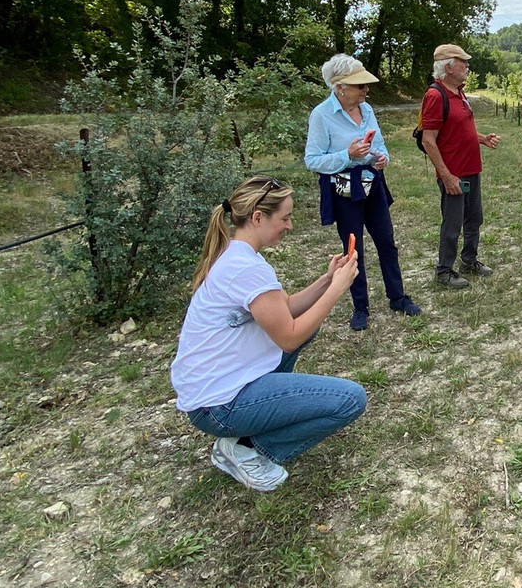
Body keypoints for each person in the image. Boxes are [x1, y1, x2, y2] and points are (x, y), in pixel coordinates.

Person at [170, 177, 367, 492]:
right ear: (258, 218)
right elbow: (289, 336)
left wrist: (328, 280)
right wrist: (340, 288)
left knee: (308, 327)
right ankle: (249, 449)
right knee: (350, 400)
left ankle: (247, 432)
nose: (289, 225)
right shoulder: (246, 268)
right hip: (217, 406)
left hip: (215, 389)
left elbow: (285, 308)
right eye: (285, 218)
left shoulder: (237, 255)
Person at [304, 54, 421, 332]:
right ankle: (360, 307)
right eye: (360, 85)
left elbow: (380, 145)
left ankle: (397, 297)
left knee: (386, 241)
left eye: (366, 85)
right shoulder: (321, 115)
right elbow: (312, 160)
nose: (366, 90)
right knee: (353, 249)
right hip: (344, 189)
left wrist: (381, 158)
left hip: (373, 183)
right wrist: (347, 154)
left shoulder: (366, 110)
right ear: (339, 87)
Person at [421, 43, 500, 289]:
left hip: (471, 169)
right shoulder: (435, 95)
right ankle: (444, 271)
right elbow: (428, 139)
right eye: (462, 62)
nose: (467, 66)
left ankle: (469, 260)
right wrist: (446, 176)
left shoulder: (459, 92)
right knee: (453, 223)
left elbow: (458, 129)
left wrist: (481, 139)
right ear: (448, 66)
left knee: (474, 218)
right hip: (454, 173)